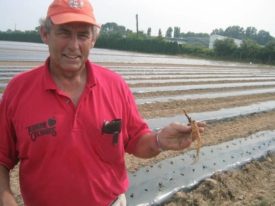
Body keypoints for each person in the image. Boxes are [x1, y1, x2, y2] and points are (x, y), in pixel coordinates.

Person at [0, 0, 206, 205]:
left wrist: (160, 140)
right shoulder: (18, 91)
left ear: (93, 40)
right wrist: (4, 197)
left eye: (83, 35)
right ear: (45, 35)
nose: (73, 46)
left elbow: (135, 140)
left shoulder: (115, 85)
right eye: (64, 32)